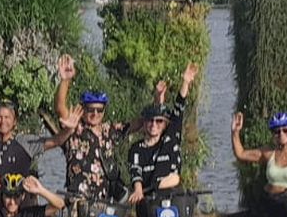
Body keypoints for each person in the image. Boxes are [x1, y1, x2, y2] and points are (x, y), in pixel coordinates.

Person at [51, 57, 200, 201]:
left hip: (104, 200)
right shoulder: (75, 128)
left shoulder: (109, 130)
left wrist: (158, 99)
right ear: (83, 110)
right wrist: (65, 80)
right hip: (79, 199)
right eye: (90, 110)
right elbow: (60, 109)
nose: (95, 114)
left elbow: (146, 123)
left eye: (99, 110)